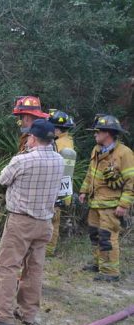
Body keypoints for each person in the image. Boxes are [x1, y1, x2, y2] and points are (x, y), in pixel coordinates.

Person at [0, 119, 63, 325]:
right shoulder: (60, 160)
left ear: (32, 138)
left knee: (7, 266)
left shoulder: (23, 160)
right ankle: (28, 313)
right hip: (45, 222)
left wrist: (21, 154)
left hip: (21, 221)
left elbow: (2, 179)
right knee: (34, 269)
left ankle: (3, 315)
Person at [79, 114, 134, 282]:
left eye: (97, 132)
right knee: (95, 235)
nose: (95, 135)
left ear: (108, 133)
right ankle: (99, 264)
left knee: (107, 237)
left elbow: (131, 181)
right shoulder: (96, 150)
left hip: (112, 206)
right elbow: (90, 174)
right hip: (95, 203)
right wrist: (84, 191)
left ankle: (110, 272)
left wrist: (124, 205)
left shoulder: (124, 154)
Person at [46, 109, 76, 256]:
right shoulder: (65, 142)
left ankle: (48, 250)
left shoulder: (62, 145)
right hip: (58, 189)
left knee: (53, 220)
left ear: (57, 129)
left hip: (56, 189)